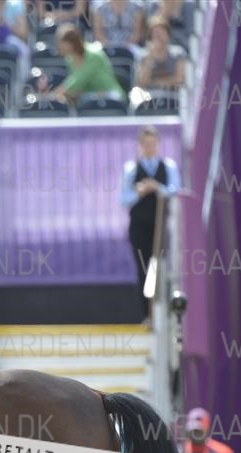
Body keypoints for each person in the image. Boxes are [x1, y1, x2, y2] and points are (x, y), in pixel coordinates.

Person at [118, 124, 180, 322]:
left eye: (153, 144)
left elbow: (175, 191)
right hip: (139, 226)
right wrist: (139, 192)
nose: (150, 148)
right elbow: (123, 199)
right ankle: (148, 314)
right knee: (144, 268)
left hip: (161, 226)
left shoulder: (168, 166)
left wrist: (157, 187)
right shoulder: (131, 169)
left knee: (162, 267)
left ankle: (165, 313)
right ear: (140, 145)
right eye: (146, 144)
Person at [49, 23, 123, 104]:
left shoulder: (93, 54)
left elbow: (77, 81)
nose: (59, 46)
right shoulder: (69, 59)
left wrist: (53, 95)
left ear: (72, 43)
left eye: (62, 43)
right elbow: (78, 88)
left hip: (110, 94)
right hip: (89, 96)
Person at [134, 16, 186, 91]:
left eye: (161, 32)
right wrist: (150, 57)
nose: (158, 37)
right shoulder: (143, 55)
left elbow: (180, 79)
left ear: (168, 34)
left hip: (173, 94)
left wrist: (155, 82)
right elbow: (142, 82)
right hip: (149, 95)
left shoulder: (178, 52)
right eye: (155, 33)